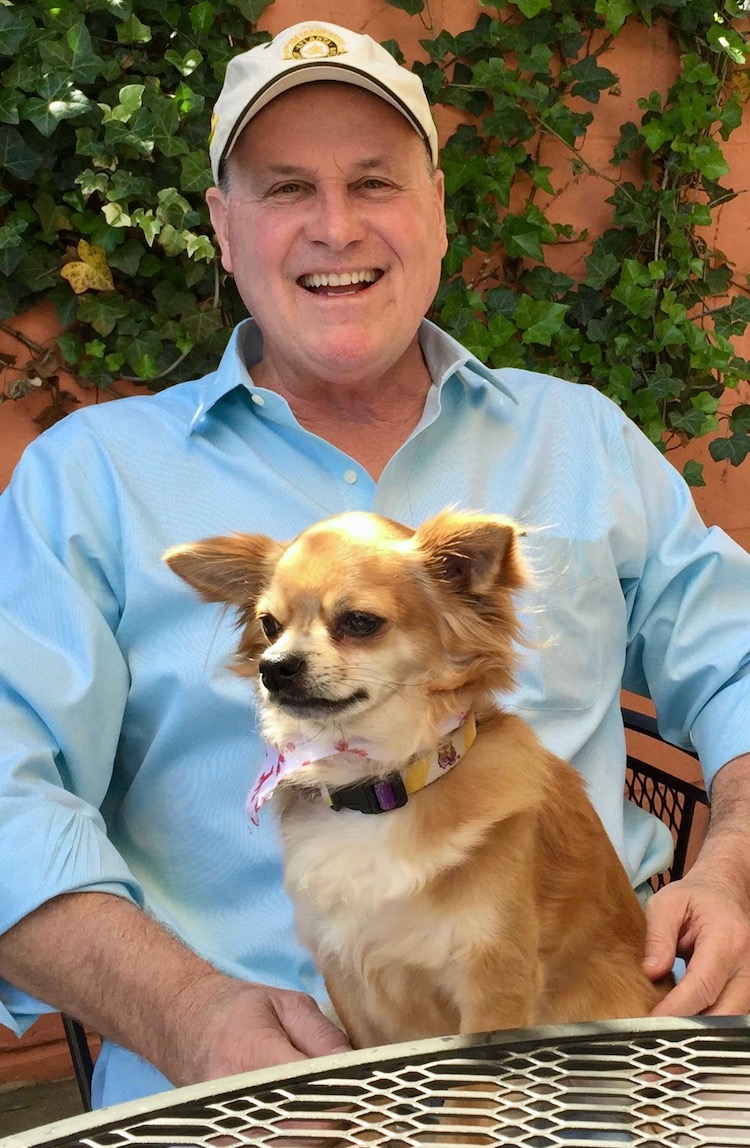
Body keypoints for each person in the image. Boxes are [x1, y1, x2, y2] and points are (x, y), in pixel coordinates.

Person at [1, 18, 749, 1111]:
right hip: (250, 1093)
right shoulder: (95, 480)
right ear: (222, 224)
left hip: (599, 1055)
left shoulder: (580, 438)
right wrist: (183, 1007)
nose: (336, 227)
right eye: (286, 187)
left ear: (436, 206)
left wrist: (731, 866)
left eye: (375, 181)